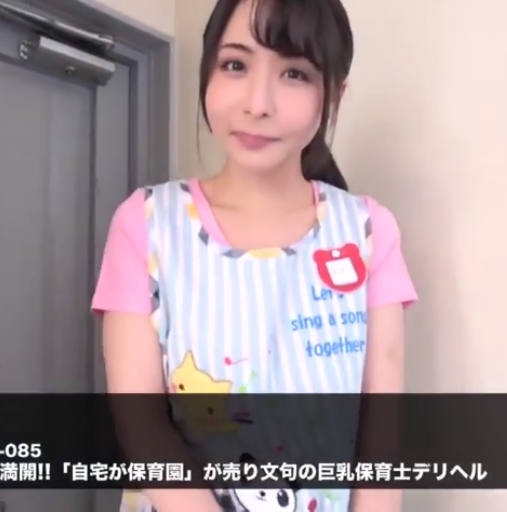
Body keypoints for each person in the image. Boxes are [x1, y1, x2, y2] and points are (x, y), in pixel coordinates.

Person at [93, 1, 416, 511]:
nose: (257, 102)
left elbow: (382, 434)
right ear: (207, 72)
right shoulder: (147, 223)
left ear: (334, 94)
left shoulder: (369, 231)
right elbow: (140, 424)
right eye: (235, 64)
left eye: (294, 73)